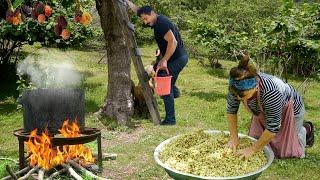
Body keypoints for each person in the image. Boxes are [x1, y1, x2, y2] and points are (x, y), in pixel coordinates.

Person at [226, 54, 314, 159]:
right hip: (265, 109)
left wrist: (252, 150)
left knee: (286, 149)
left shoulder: (271, 91)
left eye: (243, 96)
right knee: (259, 141)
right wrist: (234, 138)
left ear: (256, 87)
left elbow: (273, 127)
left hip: (290, 109)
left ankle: (305, 130)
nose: (238, 98)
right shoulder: (236, 86)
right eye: (236, 95)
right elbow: (231, 110)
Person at [125, 0, 189, 125]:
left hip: (177, 59)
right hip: (176, 57)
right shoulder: (157, 20)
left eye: (146, 18)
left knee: (165, 85)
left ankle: (170, 119)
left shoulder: (161, 23)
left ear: (152, 13)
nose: (145, 22)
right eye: (143, 19)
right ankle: (175, 92)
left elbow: (173, 42)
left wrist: (164, 60)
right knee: (155, 70)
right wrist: (126, 1)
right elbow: (137, 10)